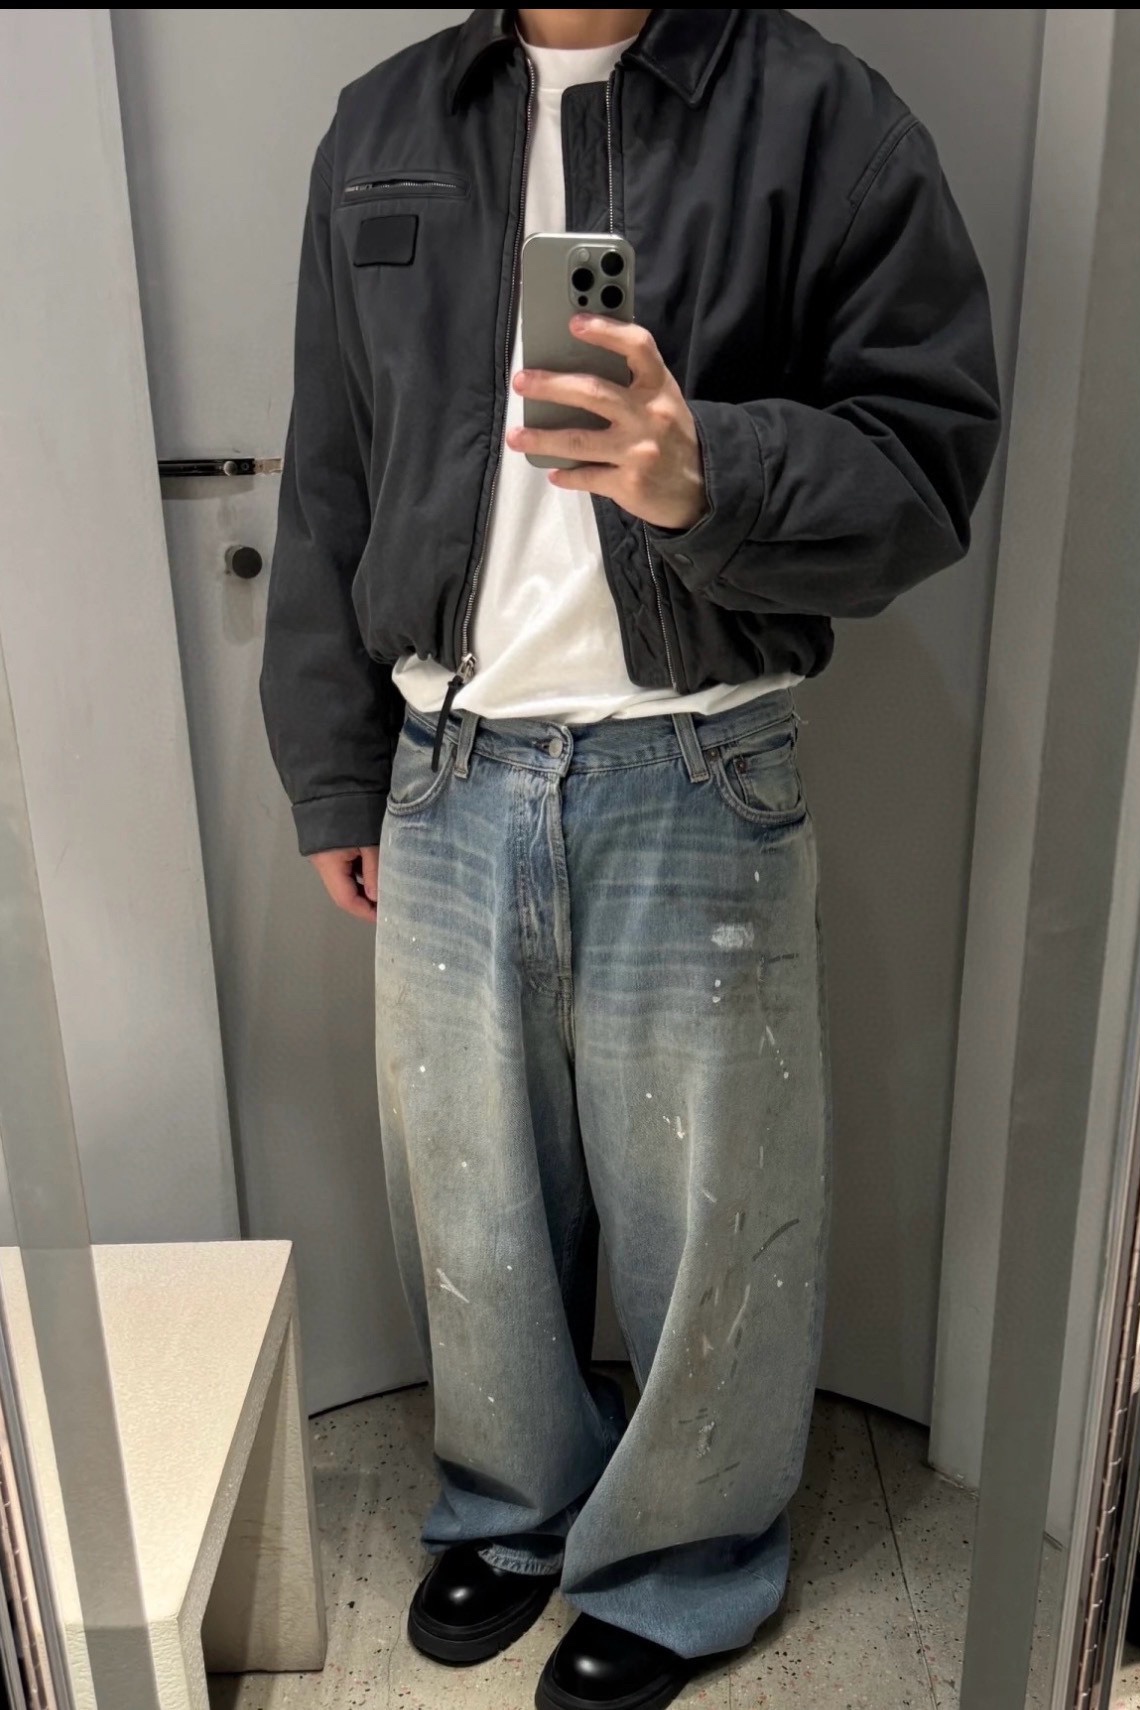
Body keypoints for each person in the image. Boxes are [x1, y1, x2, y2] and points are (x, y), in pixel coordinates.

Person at [260, 8, 999, 1708]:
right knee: (472, 1197)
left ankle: (681, 1561)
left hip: (696, 759)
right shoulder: (383, 123)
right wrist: (333, 769)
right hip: (448, 761)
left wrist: (705, 472)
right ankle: (509, 1503)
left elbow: (928, 464)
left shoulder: (821, 115)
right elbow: (330, 473)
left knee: (708, 1208)